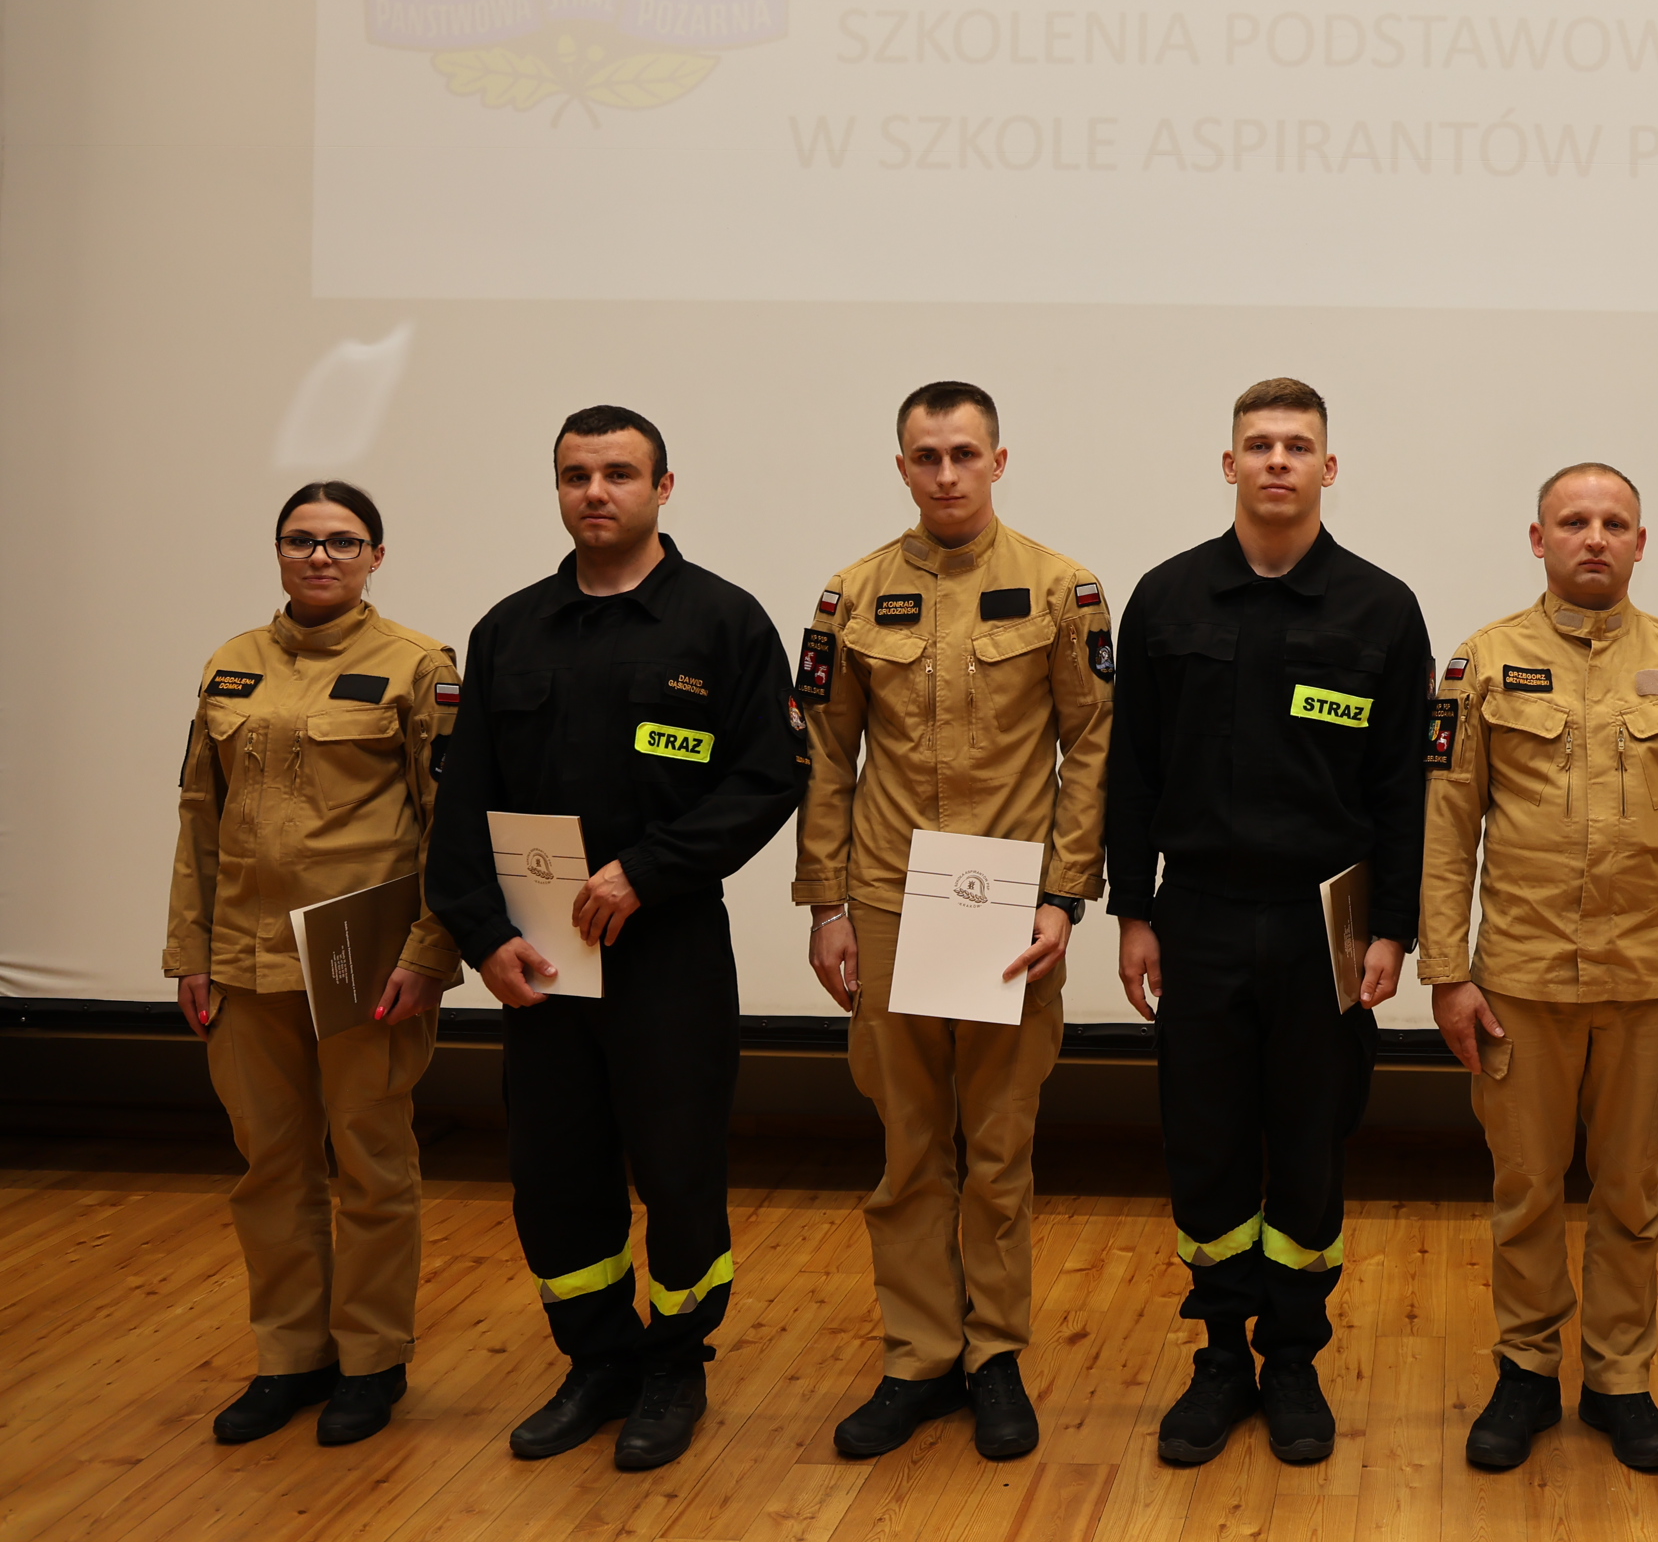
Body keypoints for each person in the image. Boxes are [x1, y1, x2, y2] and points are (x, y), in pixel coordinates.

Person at [425, 406, 806, 1472]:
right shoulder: (509, 631)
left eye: (620, 474)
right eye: (577, 475)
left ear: (663, 488)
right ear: (558, 488)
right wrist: (483, 936)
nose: (596, 492)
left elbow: (769, 778)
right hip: (542, 960)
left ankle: (675, 1364)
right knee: (556, 1172)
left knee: (678, 1169)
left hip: (668, 949)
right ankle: (596, 1360)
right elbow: (462, 805)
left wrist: (649, 869)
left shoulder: (722, 622)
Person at [1105, 378, 1430, 1468]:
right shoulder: (1167, 598)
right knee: (1203, 1145)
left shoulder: (1381, 609)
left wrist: (1393, 928)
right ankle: (1220, 1361)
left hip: (1321, 927)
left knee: (1309, 1146)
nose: (1278, 461)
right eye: (1259, 444)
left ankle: (1292, 1359)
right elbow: (1131, 772)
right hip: (1196, 916)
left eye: (1297, 446)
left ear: (1328, 468)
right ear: (1230, 464)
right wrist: (1133, 910)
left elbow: (1403, 790)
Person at [796, 382, 1112, 1463]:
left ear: (998, 460)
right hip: (890, 901)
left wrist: (1065, 896)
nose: (945, 473)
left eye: (964, 453)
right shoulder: (851, 595)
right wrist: (827, 904)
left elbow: (1093, 747)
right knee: (908, 1147)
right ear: (901, 467)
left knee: (1000, 1149)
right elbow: (825, 755)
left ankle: (996, 1357)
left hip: (1007, 904)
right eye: (925, 456)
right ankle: (918, 1358)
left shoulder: (1063, 590)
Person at [1423, 463, 1658, 1475]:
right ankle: (1525, 1371)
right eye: (1573, 521)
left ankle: (1619, 1379)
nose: (1594, 537)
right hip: (1518, 984)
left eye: (1614, 522)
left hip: (1648, 985)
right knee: (1524, 1190)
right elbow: (1448, 826)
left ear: (1641, 542)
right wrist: (1447, 971)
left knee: (1631, 1194)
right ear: (1538, 539)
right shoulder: (1482, 663)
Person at [165, 482, 464, 1448]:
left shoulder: (419, 665)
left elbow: (448, 823)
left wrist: (430, 951)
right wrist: (191, 950)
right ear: (280, 552)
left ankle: (371, 1361)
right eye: (301, 540)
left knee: (371, 1164)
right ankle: (290, 1356)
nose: (321, 556)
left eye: (342, 541)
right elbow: (198, 819)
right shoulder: (231, 665)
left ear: (377, 555)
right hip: (244, 957)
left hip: (361, 956)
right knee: (271, 1166)